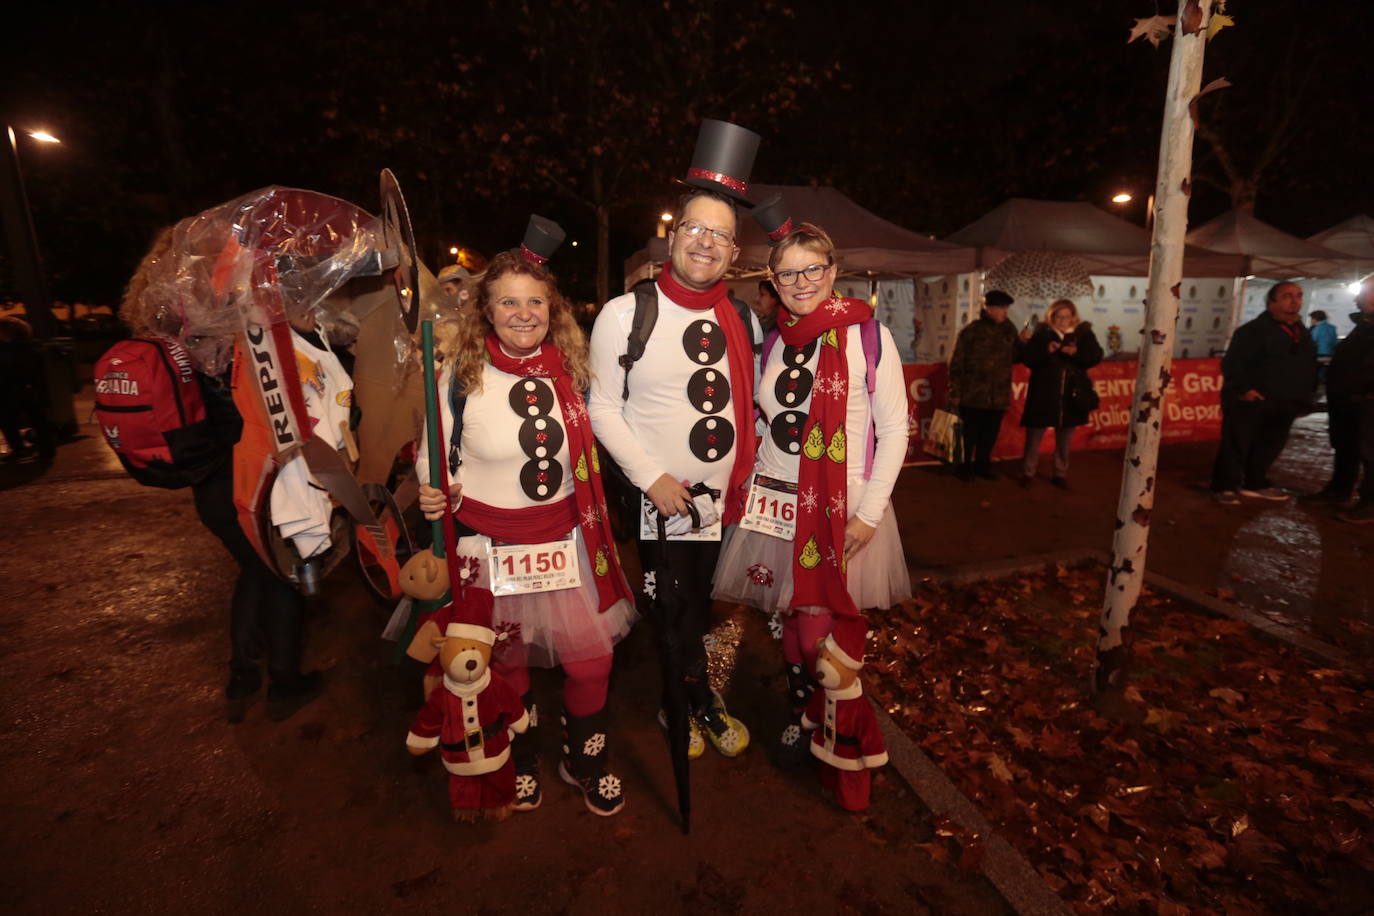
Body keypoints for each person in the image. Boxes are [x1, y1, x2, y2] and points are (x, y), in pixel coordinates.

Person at [418, 228, 637, 817]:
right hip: (488, 546)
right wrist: (431, 490)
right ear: (486, 310)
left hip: (566, 539)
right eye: (509, 301)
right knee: (505, 664)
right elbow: (430, 451)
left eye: (535, 301)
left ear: (553, 309)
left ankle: (585, 760)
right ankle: (523, 761)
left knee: (592, 661)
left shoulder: (575, 372)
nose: (523, 313)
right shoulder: (457, 377)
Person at [588, 119, 761, 761]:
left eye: (721, 234)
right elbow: (602, 407)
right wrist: (651, 478)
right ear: (672, 234)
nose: (707, 243)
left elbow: (756, 408)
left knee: (703, 607)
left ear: (735, 251)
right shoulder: (624, 314)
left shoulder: (742, 317)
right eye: (695, 228)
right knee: (674, 609)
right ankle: (684, 699)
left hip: (725, 504)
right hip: (662, 502)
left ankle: (694, 692)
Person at [710, 221, 911, 766]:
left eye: (812, 269)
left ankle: (832, 728)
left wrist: (868, 515)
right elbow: (759, 418)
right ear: (773, 279)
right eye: (788, 272)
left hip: (838, 505)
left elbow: (895, 430)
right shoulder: (774, 338)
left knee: (819, 629)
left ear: (833, 272)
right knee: (793, 624)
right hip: (775, 503)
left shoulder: (868, 336)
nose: (801, 282)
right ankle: (806, 710)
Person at [121, 229, 324, 724]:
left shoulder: (169, 331)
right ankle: (284, 683)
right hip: (249, 475)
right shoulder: (234, 331)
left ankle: (241, 675)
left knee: (254, 568)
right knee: (281, 574)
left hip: (209, 483)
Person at [1209, 281, 1317, 505]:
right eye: (1287, 296)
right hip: (1250, 400)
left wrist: (1305, 395)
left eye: (1298, 295)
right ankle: (1224, 486)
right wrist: (1244, 389)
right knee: (1237, 443)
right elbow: (1232, 364)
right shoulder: (1251, 331)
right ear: (1271, 302)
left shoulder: (1301, 332)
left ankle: (1255, 482)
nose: (1295, 300)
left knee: (1270, 444)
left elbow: (1307, 365)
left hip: (1285, 401)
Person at [1017, 299, 1103, 489]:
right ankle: (1028, 472)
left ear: (1073, 316)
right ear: (1051, 316)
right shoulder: (1042, 334)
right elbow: (1029, 359)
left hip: (1071, 395)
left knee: (1065, 438)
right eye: (1059, 316)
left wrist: (1075, 352)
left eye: (1067, 316)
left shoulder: (1083, 334)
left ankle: (1060, 472)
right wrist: (1045, 350)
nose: (1063, 320)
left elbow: (1096, 356)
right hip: (1043, 392)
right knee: (1035, 435)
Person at [1308, 280, 1374, 522]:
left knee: (1370, 455)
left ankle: (1369, 503)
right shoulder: (1365, 324)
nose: (1356, 300)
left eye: (1363, 294)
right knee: (1346, 448)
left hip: (1366, 405)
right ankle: (1339, 491)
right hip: (1347, 401)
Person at [947, 289, 1023, 480]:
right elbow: (957, 362)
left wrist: (1023, 343)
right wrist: (955, 391)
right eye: (1001, 307)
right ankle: (965, 468)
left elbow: (1018, 357)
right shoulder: (972, 330)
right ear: (989, 308)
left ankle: (983, 466)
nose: (1005, 311)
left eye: (1006, 307)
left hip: (998, 396)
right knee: (970, 434)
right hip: (973, 394)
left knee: (989, 434)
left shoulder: (1010, 330)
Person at [1310, 309, 1337, 388]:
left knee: (1313, 373)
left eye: (1311, 319)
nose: (1311, 321)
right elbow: (1334, 341)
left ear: (1315, 319)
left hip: (1319, 354)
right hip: (1330, 354)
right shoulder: (1332, 327)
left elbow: (1312, 341)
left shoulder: (1317, 328)